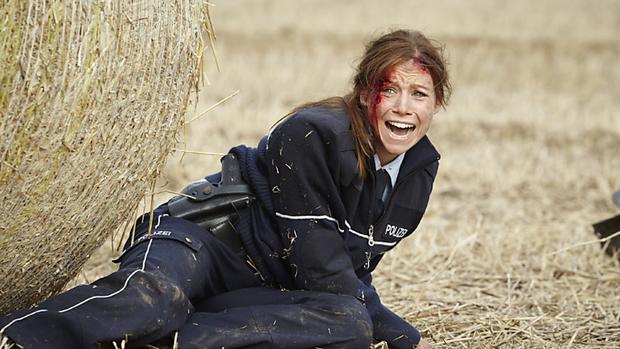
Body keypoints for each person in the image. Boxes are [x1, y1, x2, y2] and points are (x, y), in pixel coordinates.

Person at [0, 28, 451, 349]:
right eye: (388, 89)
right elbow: (322, 266)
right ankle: (15, 335)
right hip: (202, 244)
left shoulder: (418, 169)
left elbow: (350, 275)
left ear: (437, 103)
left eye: (419, 94)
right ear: (363, 94)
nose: (403, 107)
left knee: (349, 323)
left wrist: (389, 331)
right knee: (153, 301)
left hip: (264, 280)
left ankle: (177, 339)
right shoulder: (312, 134)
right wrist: (401, 335)